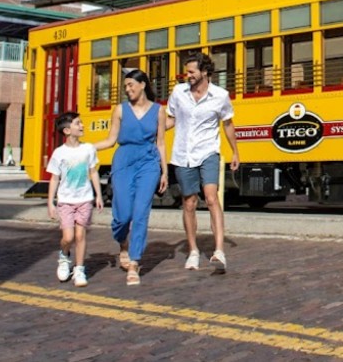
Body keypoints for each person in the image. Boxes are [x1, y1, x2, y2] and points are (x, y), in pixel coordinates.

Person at [93, 69, 168, 286]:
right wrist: (85, 148)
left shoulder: (158, 111)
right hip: (124, 160)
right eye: (125, 86)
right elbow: (110, 141)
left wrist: (164, 171)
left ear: (143, 84)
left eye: (130, 85)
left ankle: (134, 262)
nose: (128, 89)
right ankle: (122, 243)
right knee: (123, 215)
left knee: (141, 212)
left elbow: (161, 143)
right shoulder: (120, 110)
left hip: (148, 162)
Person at [167, 51, 240, 272]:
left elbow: (227, 124)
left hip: (208, 152)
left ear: (205, 72)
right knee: (189, 202)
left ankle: (219, 251)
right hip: (183, 155)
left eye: (191, 71)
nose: (187, 75)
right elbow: (170, 119)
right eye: (186, 71)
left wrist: (235, 152)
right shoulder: (178, 93)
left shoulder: (220, 95)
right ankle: (193, 251)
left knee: (211, 198)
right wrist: (151, 130)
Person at [47, 112, 104, 288]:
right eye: (78, 123)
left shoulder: (88, 149)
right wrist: (51, 202)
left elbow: (93, 172)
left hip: (85, 199)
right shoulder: (59, 153)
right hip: (65, 200)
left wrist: (98, 195)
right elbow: (54, 178)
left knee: (80, 235)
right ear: (67, 130)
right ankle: (64, 256)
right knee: (68, 237)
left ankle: (79, 268)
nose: (82, 126)